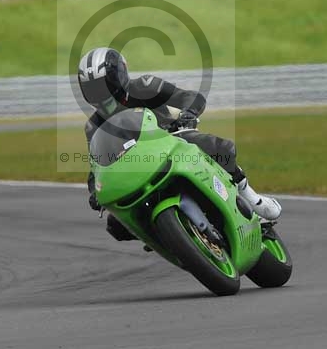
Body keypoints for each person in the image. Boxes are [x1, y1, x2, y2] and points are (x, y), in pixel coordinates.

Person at [77, 47, 281, 240]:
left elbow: (190, 97)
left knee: (221, 149)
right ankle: (165, 237)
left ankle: (253, 199)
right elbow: (97, 168)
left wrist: (188, 114)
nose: (102, 93)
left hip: (172, 142)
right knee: (116, 224)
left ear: (120, 75)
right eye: (94, 89)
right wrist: (95, 192)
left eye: (106, 84)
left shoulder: (146, 86)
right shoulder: (93, 127)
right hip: (136, 169)